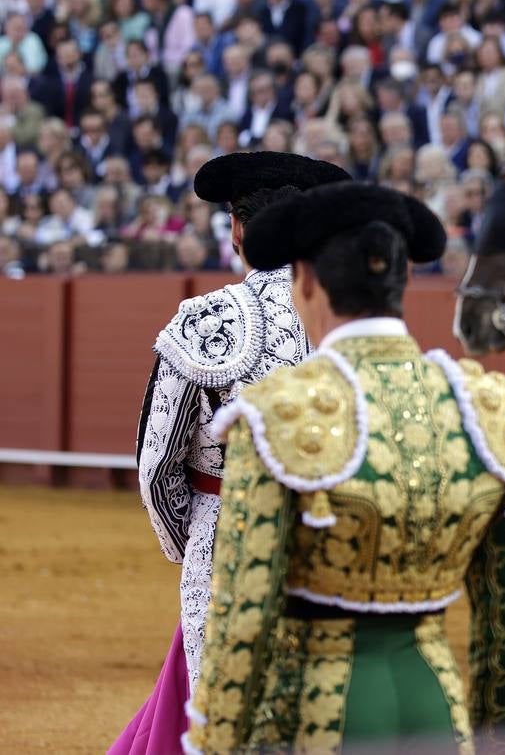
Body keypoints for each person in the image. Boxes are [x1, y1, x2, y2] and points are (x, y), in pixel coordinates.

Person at [184, 182, 505, 752]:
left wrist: (215, 744)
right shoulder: (489, 412)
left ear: (304, 281)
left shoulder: (276, 417)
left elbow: (243, 623)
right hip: (434, 705)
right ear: (400, 283)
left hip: (316, 715)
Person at [133, 152, 350, 695]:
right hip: (340, 537)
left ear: (236, 228)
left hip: (229, 534)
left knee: (229, 712)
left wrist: (195, 542)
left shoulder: (203, 321)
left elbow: (157, 467)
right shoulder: (353, 319)